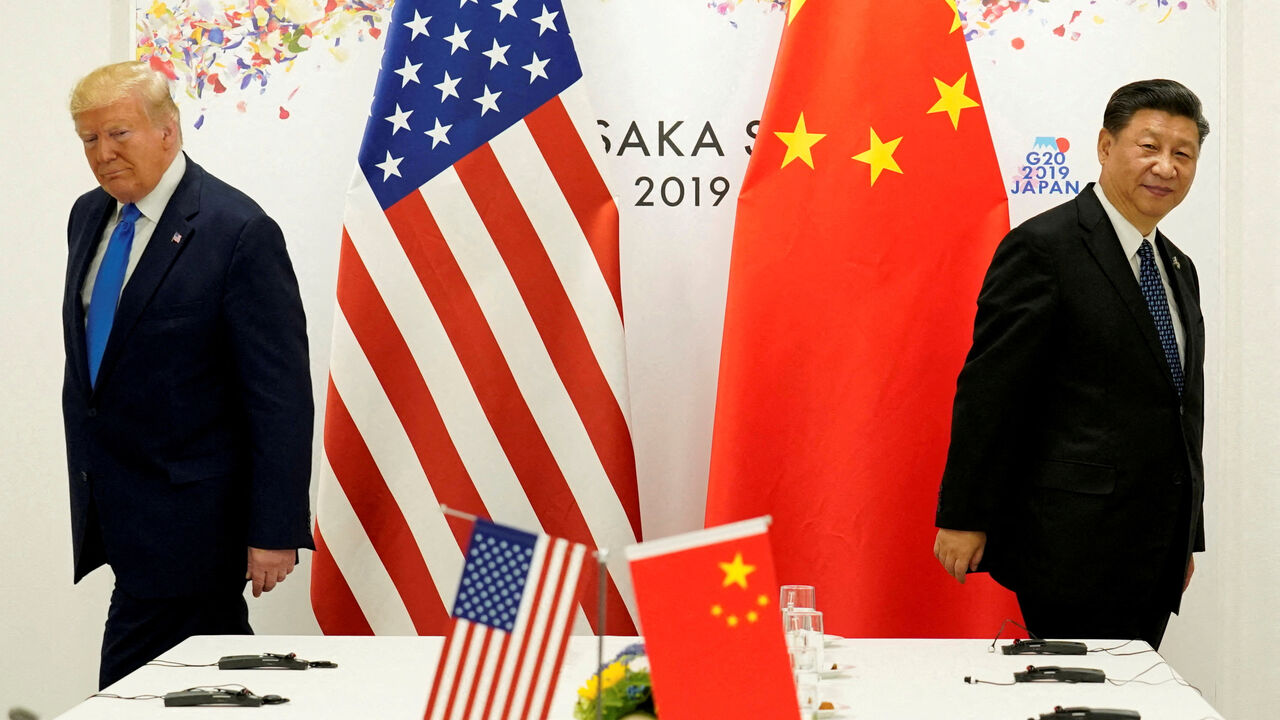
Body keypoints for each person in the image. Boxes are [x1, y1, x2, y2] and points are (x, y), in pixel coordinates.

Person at [63, 61, 315, 688]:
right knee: (204, 684)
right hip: (122, 510)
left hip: (197, 518)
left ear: (168, 131)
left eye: (119, 133)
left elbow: (279, 395)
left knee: (129, 692)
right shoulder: (87, 217)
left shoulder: (237, 231)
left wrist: (275, 529)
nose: (103, 153)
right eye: (90, 140)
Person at [932, 79, 1208, 650]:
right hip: (1070, 541)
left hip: (1155, 547)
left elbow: (1182, 409)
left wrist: (1187, 537)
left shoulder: (1177, 267)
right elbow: (991, 390)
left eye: (1183, 154)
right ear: (1105, 147)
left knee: (1130, 698)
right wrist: (963, 514)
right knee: (1079, 700)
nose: (1166, 166)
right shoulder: (1044, 248)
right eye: (1149, 146)